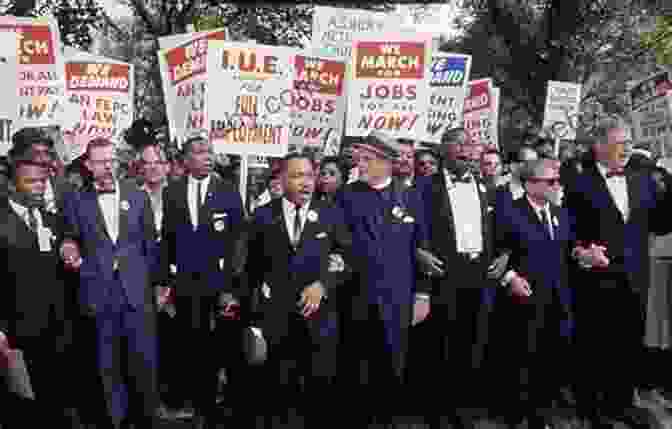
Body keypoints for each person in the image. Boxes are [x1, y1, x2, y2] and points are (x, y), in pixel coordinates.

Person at [565, 117, 672, 429]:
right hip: (594, 276)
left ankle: (622, 402)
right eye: (620, 141)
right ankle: (592, 407)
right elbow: (565, 229)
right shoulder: (577, 182)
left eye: (629, 140)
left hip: (635, 275)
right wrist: (580, 251)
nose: (627, 147)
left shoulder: (641, 179)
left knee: (629, 340)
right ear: (599, 146)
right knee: (595, 341)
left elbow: (661, 223)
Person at [60, 137, 160, 429]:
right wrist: (68, 249)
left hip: (136, 292)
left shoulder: (137, 195)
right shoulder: (77, 200)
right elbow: (69, 238)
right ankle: (112, 421)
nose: (108, 166)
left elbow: (150, 244)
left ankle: (144, 420)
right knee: (106, 364)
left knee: (142, 361)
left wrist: (158, 287)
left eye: (111, 160)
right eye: (101, 161)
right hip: (99, 291)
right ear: (89, 166)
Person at [246, 153, 350, 426]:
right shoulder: (262, 217)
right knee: (277, 393)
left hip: (319, 321)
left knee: (317, 394)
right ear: (281, 179)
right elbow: (249, 269)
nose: (305, 182)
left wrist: (323, 285)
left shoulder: (331, 214)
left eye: (309, 175)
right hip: (277, 321)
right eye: (296, 176)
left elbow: (348, 259)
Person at [414, 127, 507, 429]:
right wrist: (419, 253)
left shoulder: (486, 188)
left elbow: (501, 231)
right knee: (440, 343)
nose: (469, 150)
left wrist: (504, 256)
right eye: (461, 144)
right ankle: (437, 413)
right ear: (445, 150)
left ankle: (463, 409)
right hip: (443, 272)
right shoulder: (424, 187)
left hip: (478, 273)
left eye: (471, 145)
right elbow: (410, 230)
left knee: (472, 342)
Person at [335, 131, 428, 426]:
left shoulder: (410, 197)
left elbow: (422, 250)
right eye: (360, 158)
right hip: (355, 296)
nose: (360, 165)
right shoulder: (346, 195)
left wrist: (422, 295)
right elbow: (336, 243)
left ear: (386, 163)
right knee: (354, 365)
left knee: (391, 366)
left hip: (397, 299)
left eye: (367, 159)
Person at [158, 131, 247, 429]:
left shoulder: (228, 190)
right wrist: (165, 282)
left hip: (220, 284)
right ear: (185, 159)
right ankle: (197, 404)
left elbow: (238, 239)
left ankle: (216, 405)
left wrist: (232, 285)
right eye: (199, 151)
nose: (207, 156)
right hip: (185, 284)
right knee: (190, 344)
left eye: (209, 151)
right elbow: (168, 239)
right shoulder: (172, 192)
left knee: (219, 345)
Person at [494, 159, 574, 429]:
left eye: (556, 180)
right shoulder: (509, 212)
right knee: (520, 357)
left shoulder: (560, 213)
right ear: (529, 184)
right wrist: (510, 278)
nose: (556, 185)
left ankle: (541, 412)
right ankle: (515, 414)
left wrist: (583, 254)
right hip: (523, 296)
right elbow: (496, 250)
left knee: (548, 358)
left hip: (556, 297)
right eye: (549, 181)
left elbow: (566, 250)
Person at [0, 155, 74, 429]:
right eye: (30, 181)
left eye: (42, 181)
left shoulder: (53, 221)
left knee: (55, 405)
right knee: (21, 408)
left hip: (56, 330)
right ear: (11, 185)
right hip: (16, 333)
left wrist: (71, 248)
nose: (39, 187)